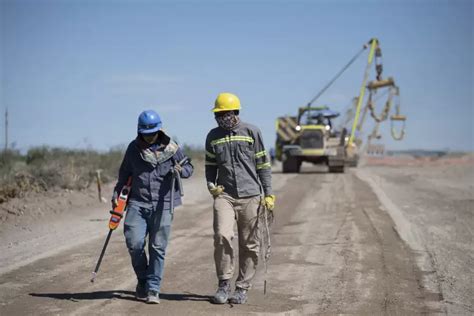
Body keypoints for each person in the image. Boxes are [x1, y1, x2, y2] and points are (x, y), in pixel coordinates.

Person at [112, 110, 193, 304]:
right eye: (145, 133)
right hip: (137, 203)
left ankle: (153, 288)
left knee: (158, 247)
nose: (149, 137)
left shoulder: (172, 148)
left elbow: (189, 168)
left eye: (152, 133)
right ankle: (143, 280)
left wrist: (181, 170)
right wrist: (117, 196)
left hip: (164, 204)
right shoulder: (133, 149)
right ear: (139, 131)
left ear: (159, 130)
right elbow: (124, 175)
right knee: (135, 243)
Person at [205, 92, 275, 305]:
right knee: (222, 236)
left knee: (249, 243)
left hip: (251, 195)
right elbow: (210, 166)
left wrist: (268, 193)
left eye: (226, 113)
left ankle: (242, 287)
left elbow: (263, 164)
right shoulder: (212, 136)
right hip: (225, 195)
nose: (222, 117)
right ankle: (224, 283)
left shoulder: (251, 132)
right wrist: (211, 186)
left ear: (235, 112)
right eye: (219, 114)